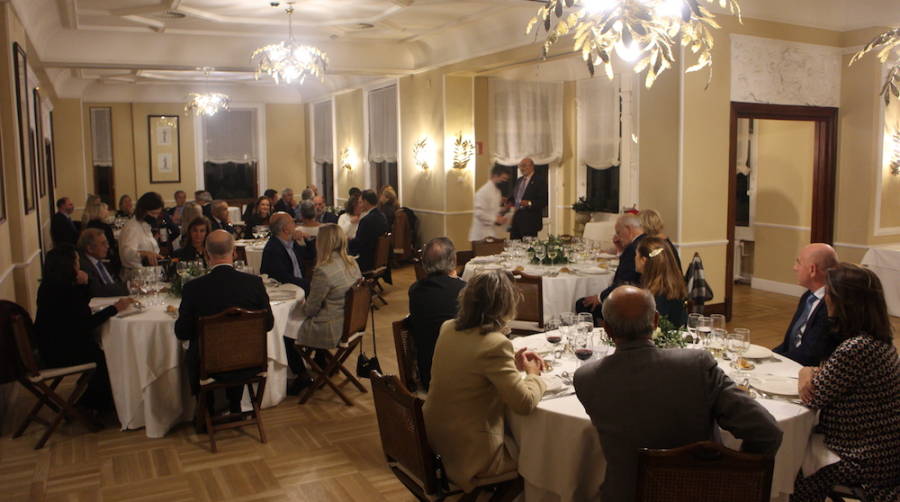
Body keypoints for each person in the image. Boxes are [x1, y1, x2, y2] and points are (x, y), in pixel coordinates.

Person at [574, 285, 783, 502]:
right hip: (704, 494)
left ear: (606, 329)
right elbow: (767, 431)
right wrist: (737, 478)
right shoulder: (696, 366)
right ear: (655, 321)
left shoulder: (587, 379)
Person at [423, 270, 546, 494]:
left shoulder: (448, 328)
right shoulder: (496, 344)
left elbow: (471, 372)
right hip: (470, 452)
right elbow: (525, 403)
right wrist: (534, 375)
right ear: (505, 305)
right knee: (541, 454)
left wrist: (512, 366)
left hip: (435, 438)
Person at [794, 264, 900, 501]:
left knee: (791, 461)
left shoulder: (856, 348)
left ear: (845, 302)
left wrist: (805, 372)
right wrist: (811, 371)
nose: (826, 299)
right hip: (886, 452)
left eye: (830, 293)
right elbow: (831, 375)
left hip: (862, 458)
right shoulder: (880, 342)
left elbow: (812, 396)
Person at [175, 230, 274, 415]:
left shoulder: (193, 288)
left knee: (197, 348)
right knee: (237, 345)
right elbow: (268, 324)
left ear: (206, 254)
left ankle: (207, 409)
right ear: (235, 252)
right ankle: (235, 405)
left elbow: (182, 332)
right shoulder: (254, 283)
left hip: (209, 367)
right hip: (249, 362)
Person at [34, 245, 133, 412]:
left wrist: (83, 284)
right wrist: (115, 308)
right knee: (108, 355)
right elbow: (86, 323)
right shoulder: (65, 290)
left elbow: (81, 313)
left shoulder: (49, 286)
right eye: (77, 262)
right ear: (69, 265)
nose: (79, 265)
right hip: (59, 352)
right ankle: (91, 404)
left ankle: (98, 398)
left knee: (102, 349)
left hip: (47, 346)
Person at [408, 237, 466, 390]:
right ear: (453, 259)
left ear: (424, 264)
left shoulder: (415, 290)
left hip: (428, 372)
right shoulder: (465, 291)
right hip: (460, 376)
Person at [295, 224, 362, 350]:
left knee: (285, 326)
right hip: (353, 323)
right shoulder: (352, 263)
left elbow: (311, 309)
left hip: (330, 329)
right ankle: (322, 362)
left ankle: (298, 368)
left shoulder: (323, 271)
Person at [774, 243, 842, 367]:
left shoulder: (831, 305)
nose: (795, 268)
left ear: (812, 270)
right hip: (791, 361)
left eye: (798, 263)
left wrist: (774, 361)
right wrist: (768, 355)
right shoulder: (808, 296)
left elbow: (810, 355)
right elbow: (790, 343)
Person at [576, 213, 645, 320]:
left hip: (628, 301)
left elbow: (624, 283)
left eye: (618, 232)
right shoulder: (646, 241)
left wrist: (600, 298)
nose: (617, 237)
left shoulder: (633, 248)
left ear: (629, 229)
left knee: (582, 304)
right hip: (639, 297)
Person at [636, 237, 688, 327]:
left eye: (636, 255)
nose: (634, 258)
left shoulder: (653, 297)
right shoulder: (674, 286)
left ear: (643, 261)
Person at [260, 212, 313, 291]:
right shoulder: (273, 249)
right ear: (285, 229)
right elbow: (284, 278)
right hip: (287, 290)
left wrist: (307, 238)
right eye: (292, 222)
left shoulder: (292, 243)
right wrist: (310, 284)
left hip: (300, 284)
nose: (295, 225)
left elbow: (310, 255)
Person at [119, 192, 165, 272]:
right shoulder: (132, 227)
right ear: (143, 210)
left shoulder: (145, 225)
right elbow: (126, 254)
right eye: (153, 213)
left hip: (149, 273)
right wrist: (145, 254)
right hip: (137, 275)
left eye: (158, 214)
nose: (155, 217)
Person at [77, 229, 129, 297]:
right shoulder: (84, 265)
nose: (107, 246)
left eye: (107, 243)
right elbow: (98, 291)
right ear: (90, 248)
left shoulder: (101, 262)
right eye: (103, 244)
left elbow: (114, 282)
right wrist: (129, 287)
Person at [348, 190, 389, 273]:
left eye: (360, 202)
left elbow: (359, 243)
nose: (359, 205)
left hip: (367, 260)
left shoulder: (366, 220)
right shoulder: (382, 216)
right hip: (379, 258)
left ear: (366, 202)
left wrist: (346, 242)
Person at [469, 165, 510, 242]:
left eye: (506, 179)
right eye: (503, 178)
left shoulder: (497, 191)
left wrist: (503, 209)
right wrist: (496, 219)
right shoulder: (483, 192)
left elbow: (491, 209)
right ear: (495, 175)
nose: (504, 181)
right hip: (480, 235)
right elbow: (479, 213)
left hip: (491, 233)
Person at [509, 157, 547, 239]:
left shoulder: (539, 180)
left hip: (530, 222)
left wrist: (529, 203)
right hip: (516, 221)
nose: (522, 168)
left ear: (531, 166)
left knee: (528, 249)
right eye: (520, 166)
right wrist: (507, 201)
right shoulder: (519, 180)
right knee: (514, 247)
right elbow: (514, 198)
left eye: (524, 166)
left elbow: (543, 201)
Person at [82, 200, 121, 274]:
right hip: (105, 256)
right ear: (101, 212)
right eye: (106, 210)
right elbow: (111, 245)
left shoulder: (89, 225)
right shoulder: (105, 227)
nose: (108, 212)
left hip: (91, 255)